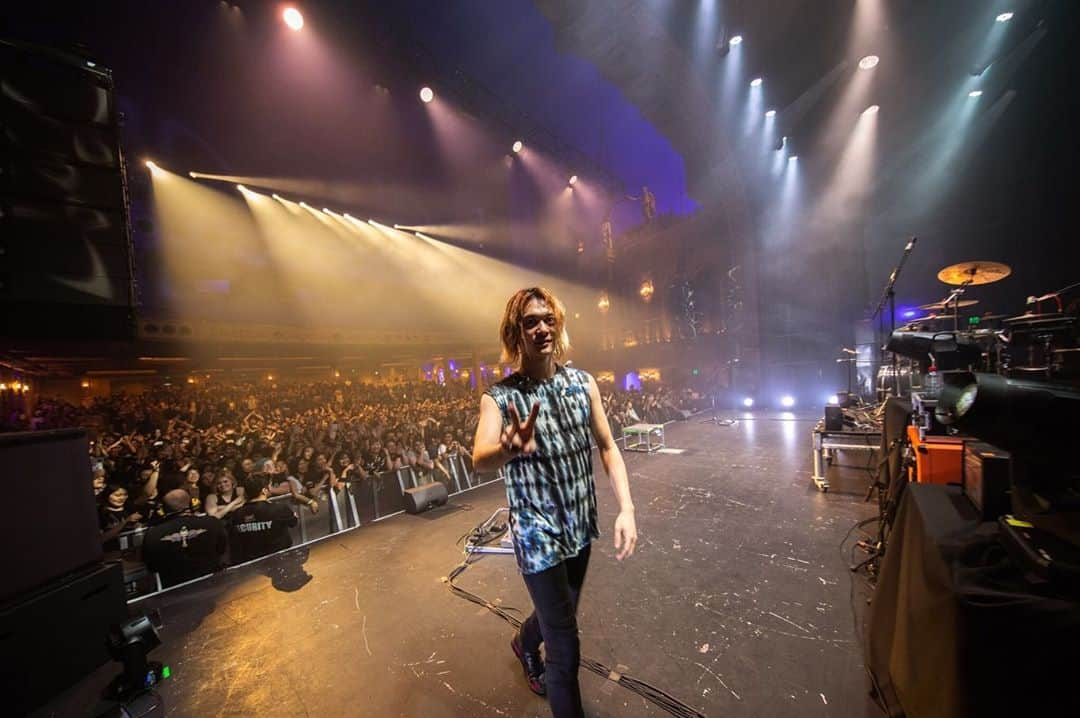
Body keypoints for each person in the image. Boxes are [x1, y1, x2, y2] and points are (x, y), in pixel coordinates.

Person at [473, 287, 637, 718]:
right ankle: (540, 657)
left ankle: (525, 641)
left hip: (580, 527)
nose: (542, 327)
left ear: (558, 325)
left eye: (548, 318)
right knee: (565, 651)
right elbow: (479, 459)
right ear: (517, 332)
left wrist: (627, 508)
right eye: (531, 321)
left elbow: (607, 445)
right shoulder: (501, 396)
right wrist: (509, 448)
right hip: (536, 535)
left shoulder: (583, 384)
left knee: (557, 615)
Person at [141, 489, 227, 587]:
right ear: (190, 503)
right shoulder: (212, 522)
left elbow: (151, 566)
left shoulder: (153, 533)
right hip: (213, 585)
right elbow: (222, 549)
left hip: (174, 590)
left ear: (164, 508)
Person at [228, 474, 298, 564]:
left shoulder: (237, 514)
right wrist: (294, 516)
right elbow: (293, 523)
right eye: (269, 486)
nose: (270, 488)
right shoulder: (279, 508)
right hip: (280, 559)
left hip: (252, 563)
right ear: (264, 491)